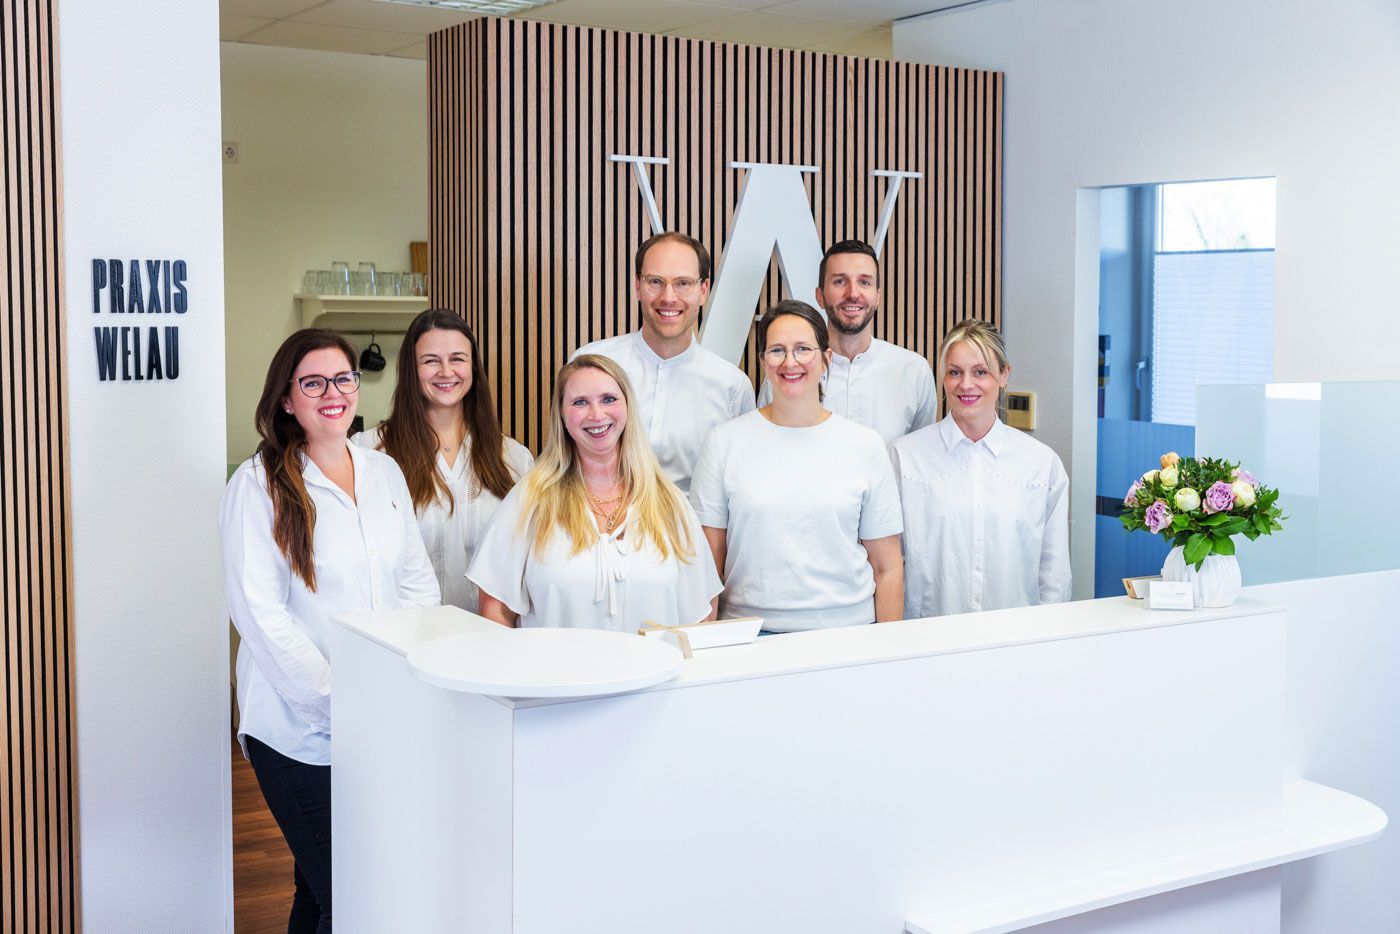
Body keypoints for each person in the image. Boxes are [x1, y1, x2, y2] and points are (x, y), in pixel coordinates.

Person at [220, 329, 439, 933]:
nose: (332, 393)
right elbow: (260, 616)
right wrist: (340, 705)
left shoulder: (384, 471)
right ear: (287, 399)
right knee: (357, 898)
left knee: (322, 896)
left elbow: (417, 587)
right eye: (312, 383)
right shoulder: (257, 484)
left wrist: (397, 690)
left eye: (342, 379)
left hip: (379, 719)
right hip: (297, 732)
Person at [690, 300, 904, 632]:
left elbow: (887, 567)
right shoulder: (723, 442)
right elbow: (707, 566)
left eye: (803, 349)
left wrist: (889, 651)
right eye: (777, 350)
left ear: (826, 358)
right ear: (763, 362)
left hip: (848, 633)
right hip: (749, 633)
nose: (790, 362)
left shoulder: (864, 444)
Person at [469, 354, 721, 631]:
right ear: (562, 416)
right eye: (580, 402)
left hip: (653, 674)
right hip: (555, 673)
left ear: (627, 406)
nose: (597, 414)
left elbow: (702, 612)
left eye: (609, 399)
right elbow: (495, 606)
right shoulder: (530, 499)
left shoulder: (669, 502)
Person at [353, 309, 532, 612]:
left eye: (457, 359)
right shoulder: (370, 452)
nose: (446, 372)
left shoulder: (513, 458)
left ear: (473, 366)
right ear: (412, 369)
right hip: (403, 640)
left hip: (490, 642)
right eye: (431, 360)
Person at [891, 319, 1070, 618]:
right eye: (954, 372)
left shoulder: (1041, 464)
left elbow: (1054, 575)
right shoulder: (905, 457)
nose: (966, 384)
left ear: (1004, 375)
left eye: (980, 372)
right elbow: (890, 563)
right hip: (926, 641)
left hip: (1013, 641)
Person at [573, 231, 754, 492]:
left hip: (689, 530)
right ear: (637, 286)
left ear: (703, 291)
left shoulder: (733, 389)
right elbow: (561, 460)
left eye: (683, 283)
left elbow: (737, 487)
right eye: (655, 281)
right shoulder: (590, 365)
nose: (668, 297)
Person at [757, 239, 935, 445]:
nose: (853, 294)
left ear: (877, 297)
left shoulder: (914, 371)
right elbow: (768, 445)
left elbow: (921, 460)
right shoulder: (789, 373)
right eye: (840, 281)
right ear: (820, 296)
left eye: (864, 282)